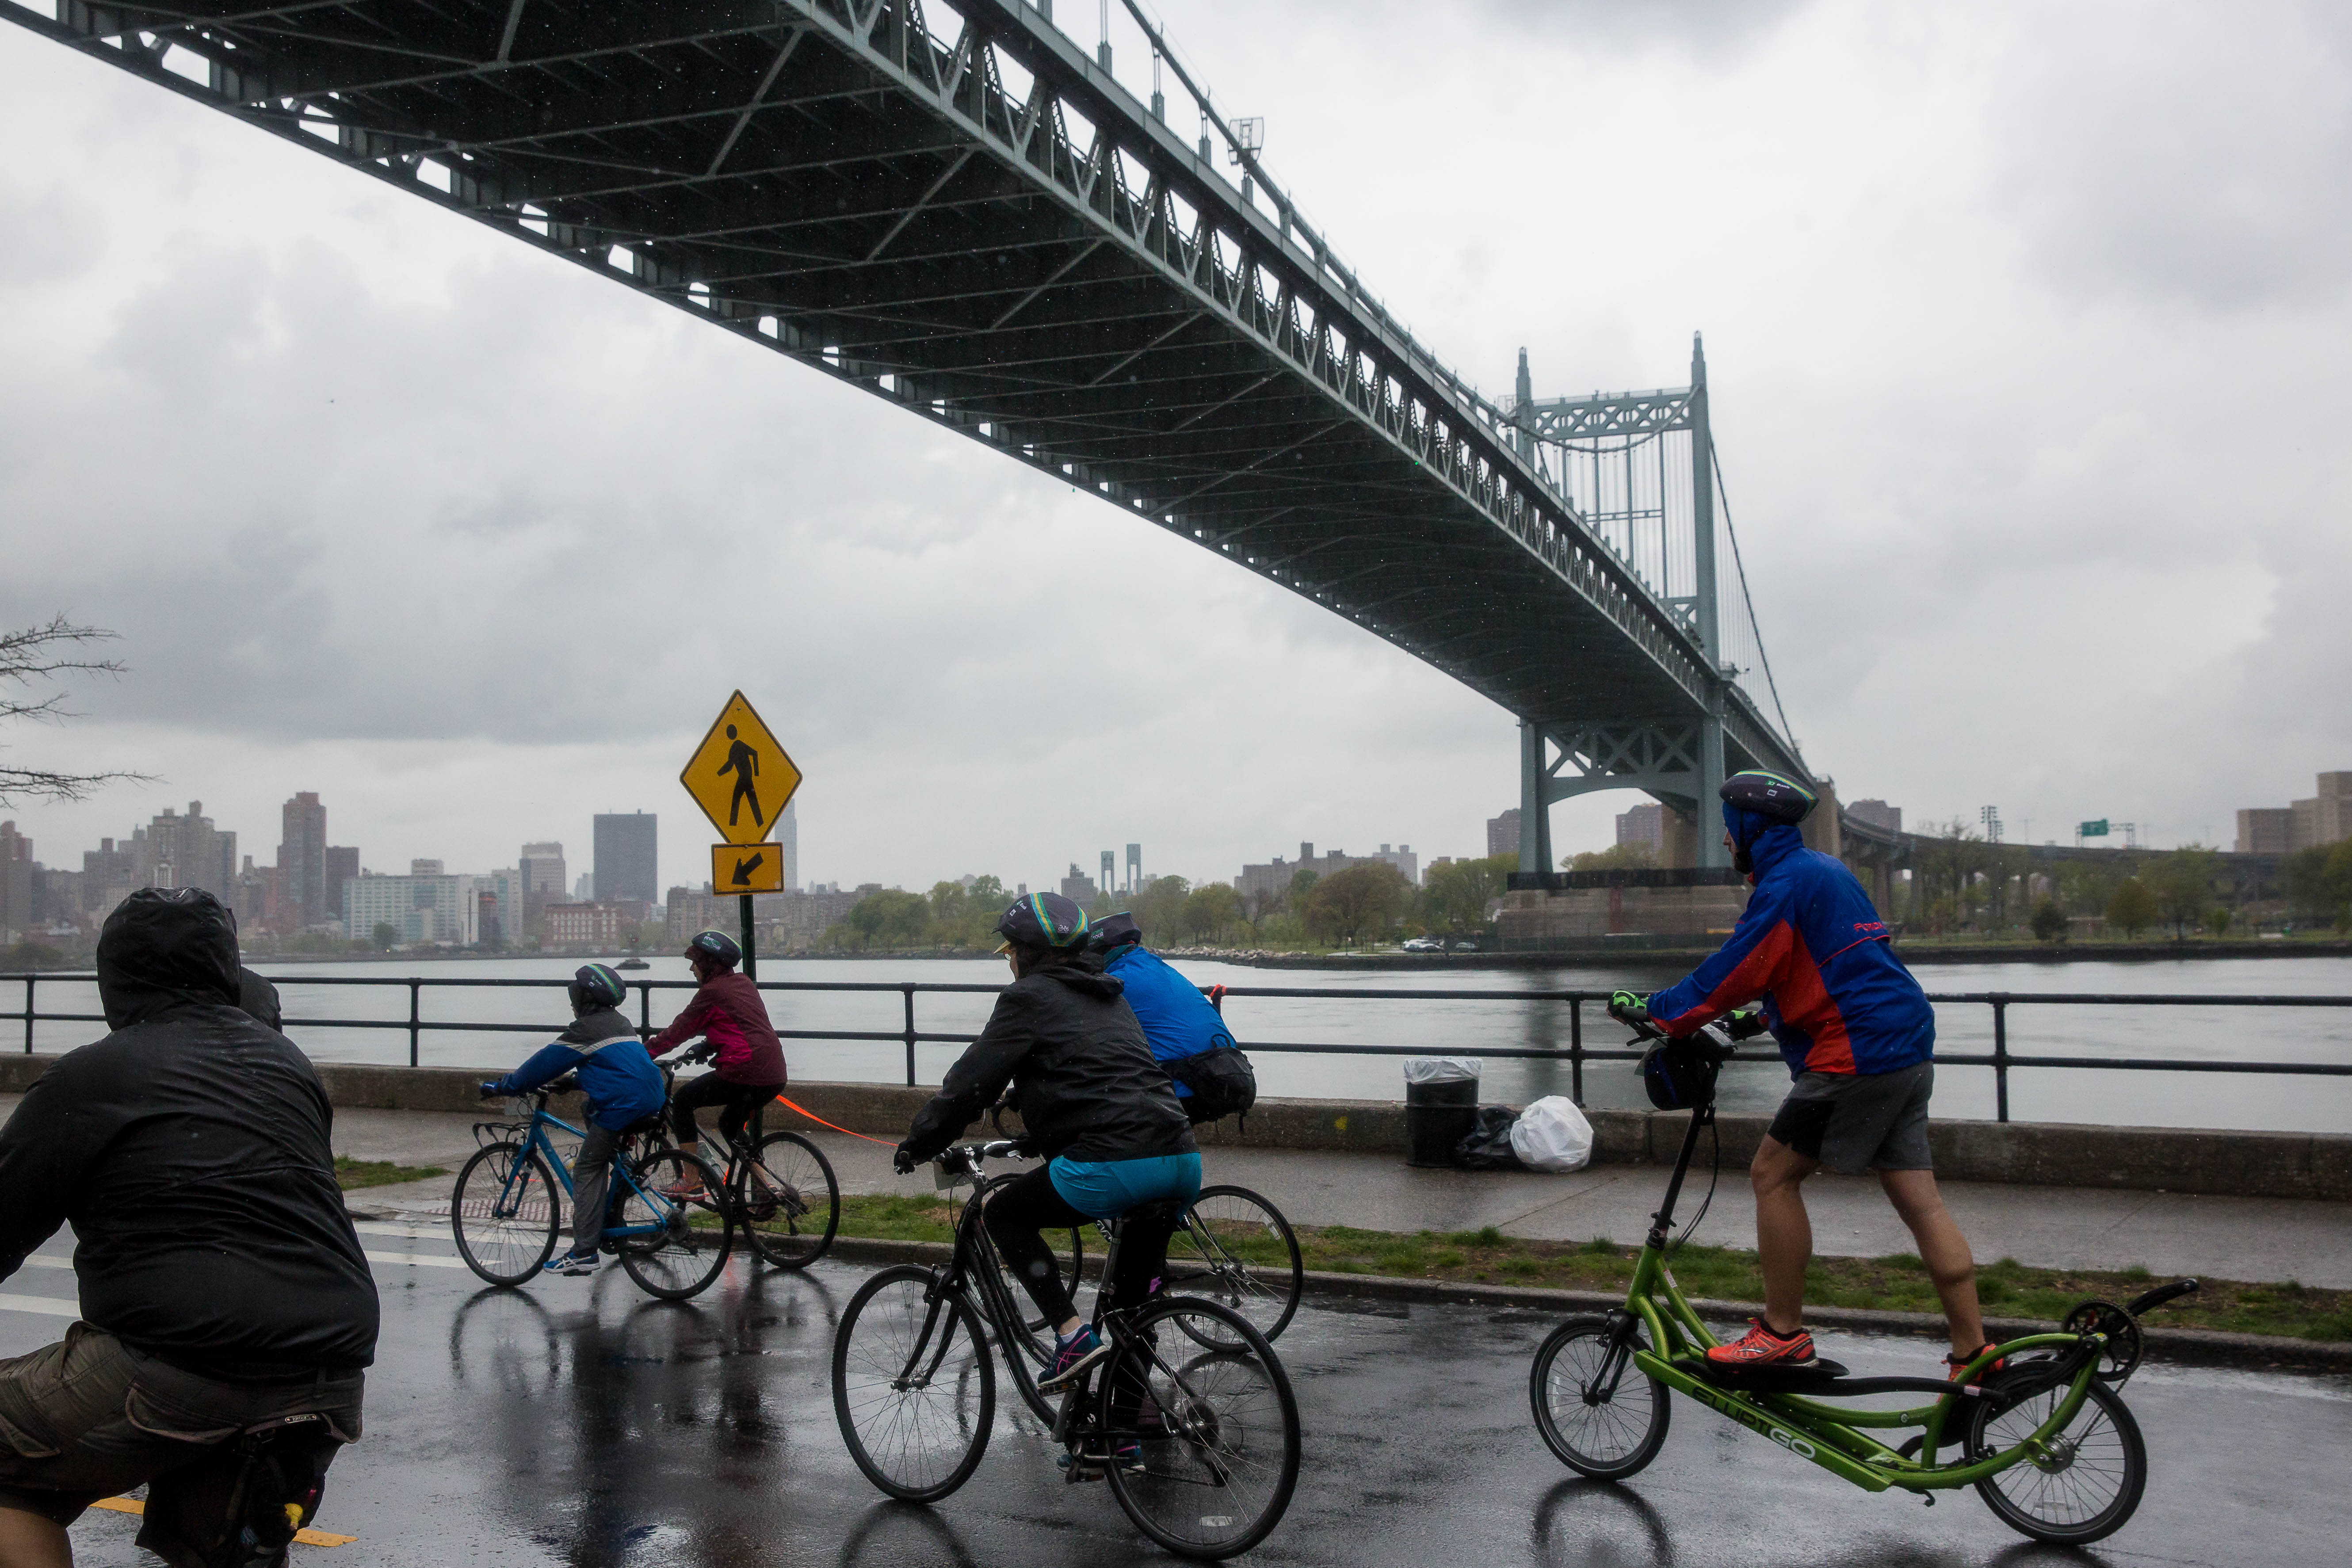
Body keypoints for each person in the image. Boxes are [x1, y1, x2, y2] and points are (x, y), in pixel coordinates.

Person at [0, 889, 377, 1568]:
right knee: (221, 1546)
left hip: (181, 1363)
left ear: (114, 977)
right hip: (329, 1374)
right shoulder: (290, 1067)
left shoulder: (90, 1076)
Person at [1619, 770, 1994, 1377]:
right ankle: (1974, 1353)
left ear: (1750, 828)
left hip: (1856, 1052)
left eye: (1728, 829)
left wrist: (1656, 1008)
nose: (1724, 840)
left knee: (1772, 1174)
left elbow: (1734, 969)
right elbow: (1836, 966)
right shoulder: (1827, 870)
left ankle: (1782, 1334)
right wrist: (1756, 1019)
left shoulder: (1784, 884)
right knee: (1922, 1204)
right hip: (1906, 1045)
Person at [896, 894, 1199, 1402]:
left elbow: (971, 1085)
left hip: (1115, 1163)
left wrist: (921, 1141)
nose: (1009, 961)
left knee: (1002, 1215)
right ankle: (1122, 1432)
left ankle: (1070, 1335)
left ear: (1027, 953)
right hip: (1181, 1157)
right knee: (1131, 1313)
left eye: (1009, 950)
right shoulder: (1110, 995)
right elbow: (1103, 1084)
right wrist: (1038, 1136)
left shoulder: (1027, 998)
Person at [479, 962, 665, 1277]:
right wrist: (575, 1081)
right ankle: (621, 1184)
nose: (572, 1000)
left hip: (623, 1104)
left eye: (575, 995)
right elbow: (615, 1067)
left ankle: (584, 1252)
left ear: (585, 998)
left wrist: (503, 1086)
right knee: (589, 1109)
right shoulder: (620, 1022)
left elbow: (539, 1066)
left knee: (588, 1167)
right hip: (650, 1096)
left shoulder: (584, 1030)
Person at [645, 930, 787, 1181]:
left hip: (745, 1070)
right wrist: (707, 1046)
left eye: (695, 962)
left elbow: (676, 1034)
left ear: (709, 964)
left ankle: (691, 1181)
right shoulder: (743, 983)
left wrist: (640, 1054)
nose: (692, 968)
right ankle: (768, 1188)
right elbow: (741, 1027)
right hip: (775, 1072)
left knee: (683, 1101)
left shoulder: (711, 992)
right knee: (730, 1126)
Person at [1086, 913, 1242, 1119]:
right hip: (1227, 1076)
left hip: (1187, 1086)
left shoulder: (1118, 980)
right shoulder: (1159, 967)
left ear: (1105, 951)